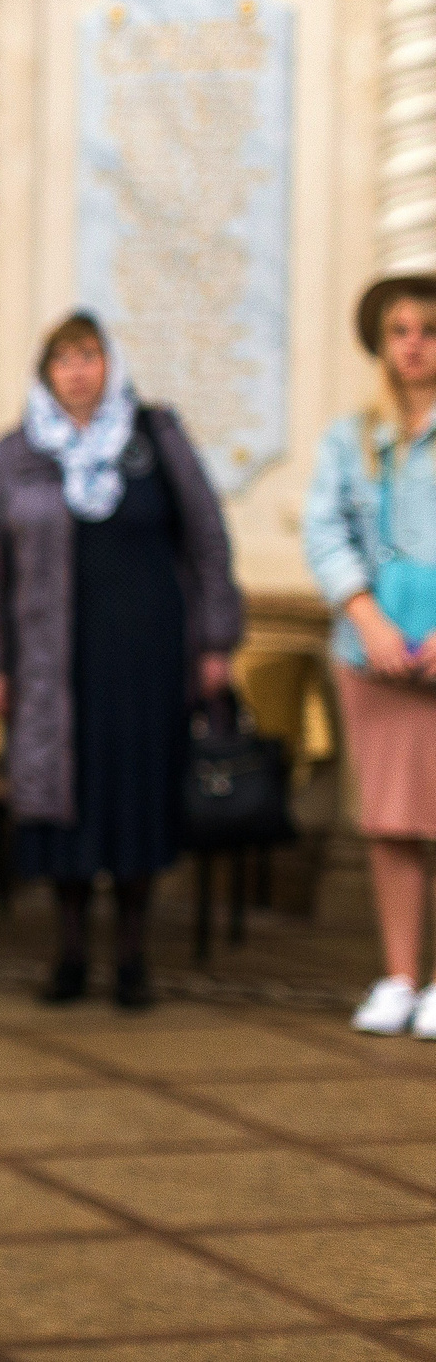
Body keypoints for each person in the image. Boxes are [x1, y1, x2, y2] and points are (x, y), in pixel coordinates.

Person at [0, 312, 241, 1011]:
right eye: (63, 358)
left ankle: (132, 956)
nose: (78, 369)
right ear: (46, 372)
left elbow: (208, 537)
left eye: (89, 355)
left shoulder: (155, 435)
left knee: (135, 800)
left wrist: (216, 640)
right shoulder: (16, 452)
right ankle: (68, 953)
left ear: (110, 363)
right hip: (51, 665)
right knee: (61, 803)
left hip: (146, 661)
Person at [302, 274, 436, 1037]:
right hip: (373, 653)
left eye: (427, 329)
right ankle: (398, 975)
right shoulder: (348, 438)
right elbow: (325, 532)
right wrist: (370, 620)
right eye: (399, 330)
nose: (413, 344)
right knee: (391, 819)